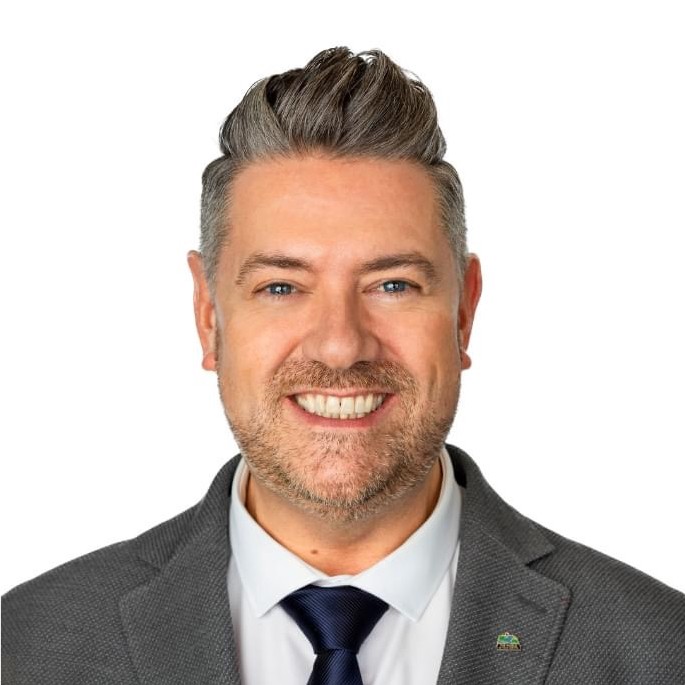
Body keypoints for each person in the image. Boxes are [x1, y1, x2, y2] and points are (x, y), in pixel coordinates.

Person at [2, 47, 684, 685]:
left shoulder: (659, 649)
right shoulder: (27, 645)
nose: (340, 346)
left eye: (392, 285)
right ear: (209, 316)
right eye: (281, 286)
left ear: (463, 311)